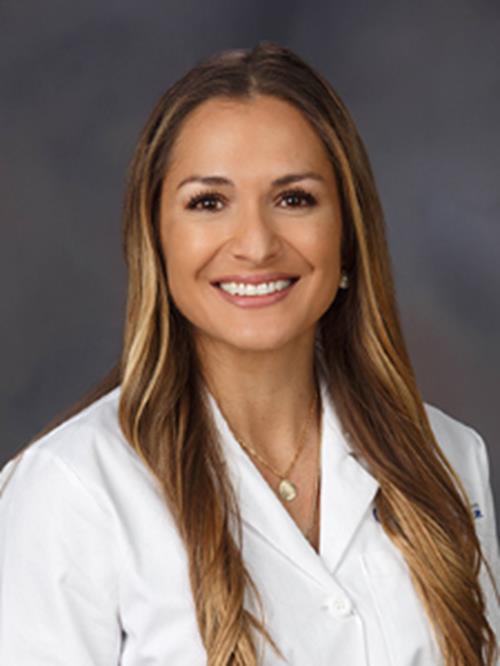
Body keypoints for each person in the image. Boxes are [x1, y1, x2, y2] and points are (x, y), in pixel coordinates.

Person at [0, 41, 498, 666]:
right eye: (209, 203)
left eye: (294, 199)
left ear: (348, 234)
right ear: (156, 239)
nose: (256, 245)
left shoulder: (448, 456)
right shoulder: (69, 491)